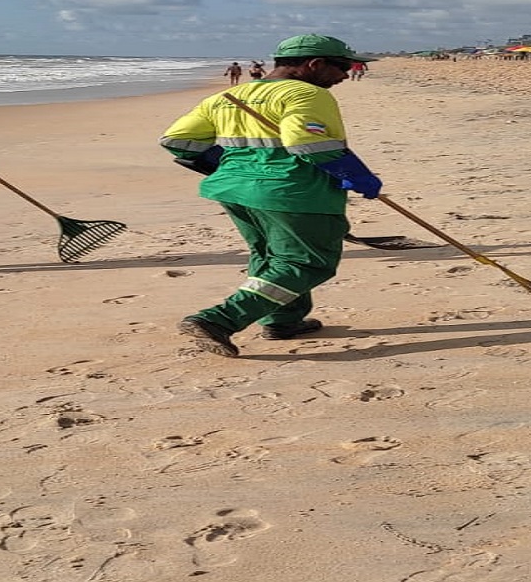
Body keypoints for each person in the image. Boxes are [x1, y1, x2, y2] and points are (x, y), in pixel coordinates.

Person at [162, 34, 382, 356]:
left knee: (268, 256)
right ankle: (218, 320)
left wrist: (225, 163)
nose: (345, 75)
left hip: (235, 190)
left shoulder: (227, 97)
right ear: (314, 64)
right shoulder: (307, 93)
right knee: (307, 262)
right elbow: (308, 143)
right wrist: (357, 176)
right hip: (293, 192)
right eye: (342, 67)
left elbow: (177, 140)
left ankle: (283, 319)